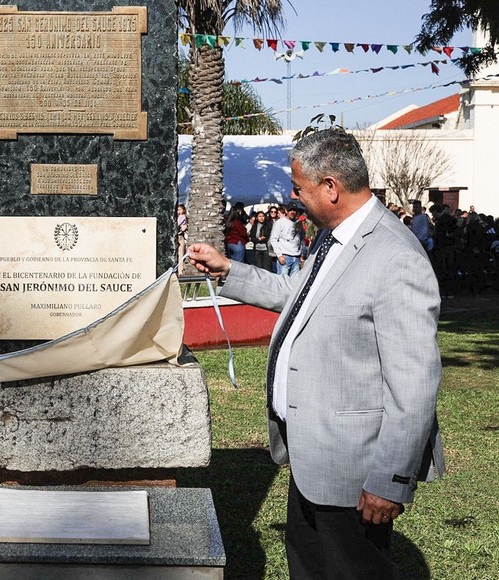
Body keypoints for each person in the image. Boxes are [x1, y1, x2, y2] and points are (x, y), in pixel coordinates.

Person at [189, 128, 444, 578]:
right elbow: (294, 293)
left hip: (355, 471)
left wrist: (389, 480)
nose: (293, 195)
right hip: (314, 458)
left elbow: (415, 384)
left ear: (330, 187)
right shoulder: (335, 238)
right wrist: (228, 269)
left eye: (298, 187)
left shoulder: (394, 256)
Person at [269, 204, 303, 276]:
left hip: (296, 257)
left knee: (294, 283)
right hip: (285, 256)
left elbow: (301, 239)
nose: (293, 212)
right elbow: (273, 239)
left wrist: (301, 255)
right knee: (282, 282)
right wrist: (279, 255)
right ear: (286, 211)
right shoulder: (279, 222)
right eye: (290, 210)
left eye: (294, 210)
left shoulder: (299, 223)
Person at [176, 203, 188, 273]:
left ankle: (180, 271)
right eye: (177, 210)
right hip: (181, 236)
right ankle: (180, 270)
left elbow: (177, 224)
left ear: (183, 210)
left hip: (180, 237)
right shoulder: (185, 217)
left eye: (179, 210)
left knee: (180, 255)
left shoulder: (181, 217)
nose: (178, 211)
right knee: (181, 255)